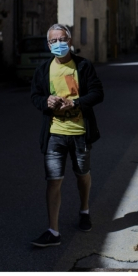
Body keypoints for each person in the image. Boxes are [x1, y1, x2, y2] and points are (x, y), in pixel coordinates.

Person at [30, 23, 104, 247]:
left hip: (80, 132)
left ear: (70, 41)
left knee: (82, 175)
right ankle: (53, 231)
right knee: (53, 181)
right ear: (48, 44)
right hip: (54, 134)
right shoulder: (43, 70)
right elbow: (35, 96)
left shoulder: (83, 66)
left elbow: (98, 93)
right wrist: (46, 102)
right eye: (53, 41)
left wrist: (77, 102)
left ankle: (84, 209)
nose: (58, 44)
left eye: (62, 39)